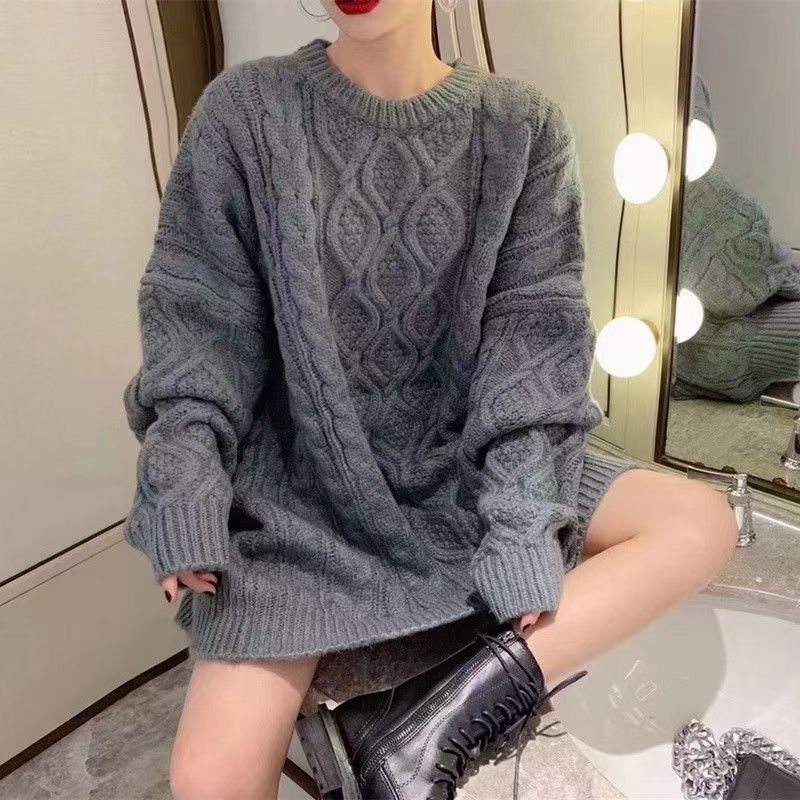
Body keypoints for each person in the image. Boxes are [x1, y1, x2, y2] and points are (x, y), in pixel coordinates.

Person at [120, 1, 739, 798]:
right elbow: (198, 325)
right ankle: (413, 734)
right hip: (302, 494)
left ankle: (421, 730)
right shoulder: (247, 112)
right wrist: (184, 482)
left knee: (701, 523)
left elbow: (530, 351)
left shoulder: (521, 127)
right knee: (210, 780)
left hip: (472, 464)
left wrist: (521, 526)